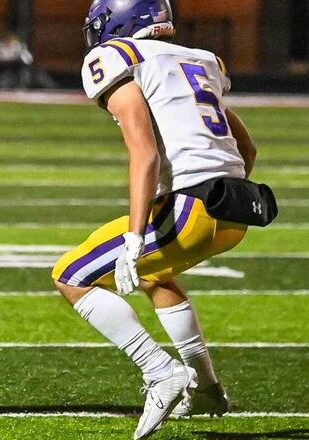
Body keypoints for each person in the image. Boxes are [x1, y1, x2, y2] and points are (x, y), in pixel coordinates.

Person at [51, 0, 275, 438]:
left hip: (190, 208)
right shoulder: (202, 59)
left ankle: (159, 370)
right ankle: (207, 388)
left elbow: (145, 151)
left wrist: (136, 237)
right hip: (233, 212)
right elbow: (246, 149)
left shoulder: (116, 56)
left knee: (70, 275)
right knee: (158, 276)